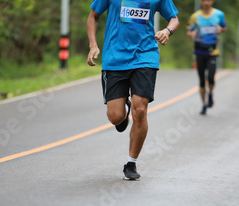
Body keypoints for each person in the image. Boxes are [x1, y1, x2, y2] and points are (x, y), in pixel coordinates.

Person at [87, 0, 179, 180]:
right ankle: (124, 109)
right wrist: (93, 45)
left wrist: (167, 31)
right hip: (114, 58)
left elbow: (174, 18)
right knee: (115, 116)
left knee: (141, 110)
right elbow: (93, 16)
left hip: (145, 56)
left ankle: (131, 162)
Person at [187, 0, 227, 115]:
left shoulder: (219, 14)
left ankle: (211, 93)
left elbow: (224, 27)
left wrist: (220, 29)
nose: (206, 2)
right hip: (199, 51)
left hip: (212, 51)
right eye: (204, 0)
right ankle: (204, 104)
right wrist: (192, 34)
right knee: (201, 81)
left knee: (211, 78)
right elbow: (190, 31)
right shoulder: (195, 17)